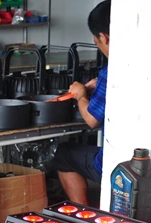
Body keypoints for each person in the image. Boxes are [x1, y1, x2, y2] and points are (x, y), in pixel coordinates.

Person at [49, 0, 110, 206]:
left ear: (104, 37)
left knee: (64, 155)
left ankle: (83, 217)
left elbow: (92, 119)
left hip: (115, 163)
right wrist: (99, 84)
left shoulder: (112, 71)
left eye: (97, 41)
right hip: (142, 159)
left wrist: (80, 95)